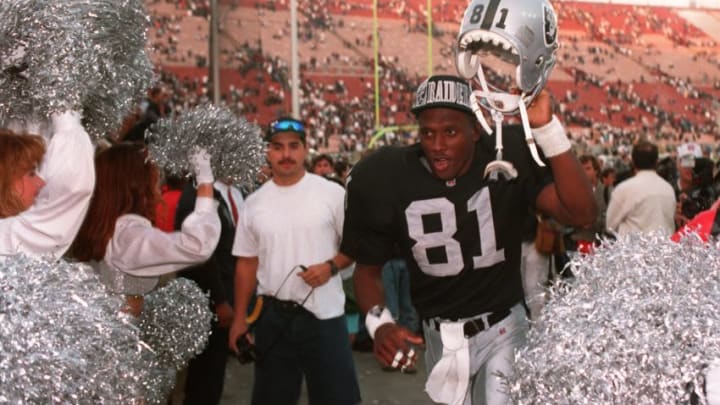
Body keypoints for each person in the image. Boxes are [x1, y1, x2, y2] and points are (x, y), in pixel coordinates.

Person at [341, 75, 596, 405]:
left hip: (503, 326)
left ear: (476, 131)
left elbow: (582, 214)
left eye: (450, 131)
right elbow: (367, 272)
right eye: (427, 132)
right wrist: (380, 324)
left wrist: (547, 129)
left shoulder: (508, 152)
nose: (437, 145)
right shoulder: (387, 175)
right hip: (439, 337)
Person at [228, 117, 361, 405]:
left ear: (305, 149)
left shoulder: (332, 194)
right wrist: (240, 319)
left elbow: (355, 245)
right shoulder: (254, 203)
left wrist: (331, 267)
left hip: (324, 316)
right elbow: (246, 264)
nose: (286, 154)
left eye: (293, 146)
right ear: (267, 151)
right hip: (272, 319)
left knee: (338, 399)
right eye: (278, 147)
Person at [67, 142, 221, 316]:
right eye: (153, 180)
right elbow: (197, 245)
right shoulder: (128, 235)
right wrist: (205, 183)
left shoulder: (108, 227)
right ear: (137, 187)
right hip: (121, 335)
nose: (157, 189)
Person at [175, 178, 239, 405]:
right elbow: (199, 257)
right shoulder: (195, 195)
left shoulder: (237, 192)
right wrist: (219, 301)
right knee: (204, 375)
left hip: (229, 294)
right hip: (208, 300)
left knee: (215, 372)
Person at [0, 112, 94, 258]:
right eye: (31, 173)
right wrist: (64, 112)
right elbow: (72, 188)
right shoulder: (6, 238)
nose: (41, 182)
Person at [606, 140, 676, 236]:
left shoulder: (624, 189)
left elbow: (610, 226)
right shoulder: (669, 189)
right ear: (657, 162)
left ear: (633, 162)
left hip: (634, 249)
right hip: (664, 248)